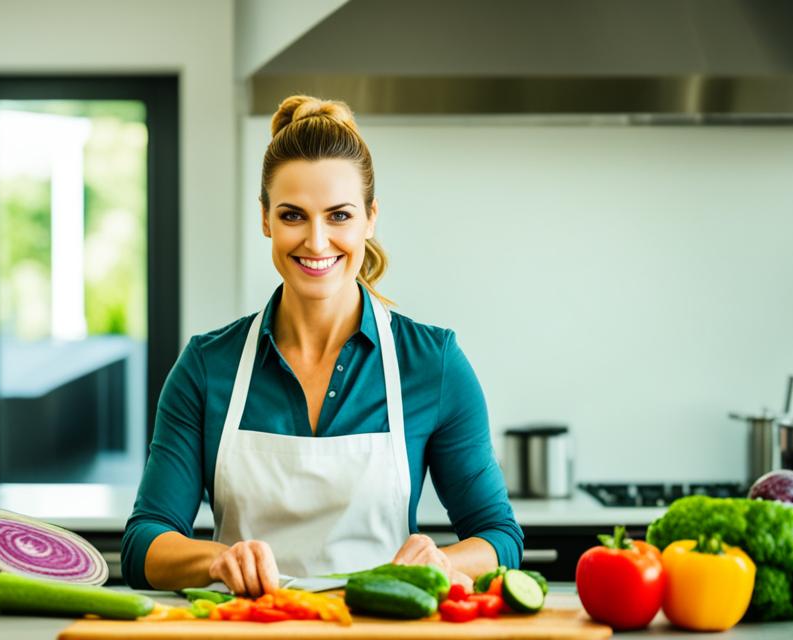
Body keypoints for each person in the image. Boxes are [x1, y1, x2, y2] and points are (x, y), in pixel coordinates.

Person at [121, 95, 523, 596]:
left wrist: (443, 561)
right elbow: (144, 544)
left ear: (370, 219)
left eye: (339, 216)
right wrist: (220, 561)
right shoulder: (206, 366)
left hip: (381, 634)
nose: (316, 241)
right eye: (293, 216)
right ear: (265, 218)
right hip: (249, 631)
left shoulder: (432, 364)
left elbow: (499, 536)